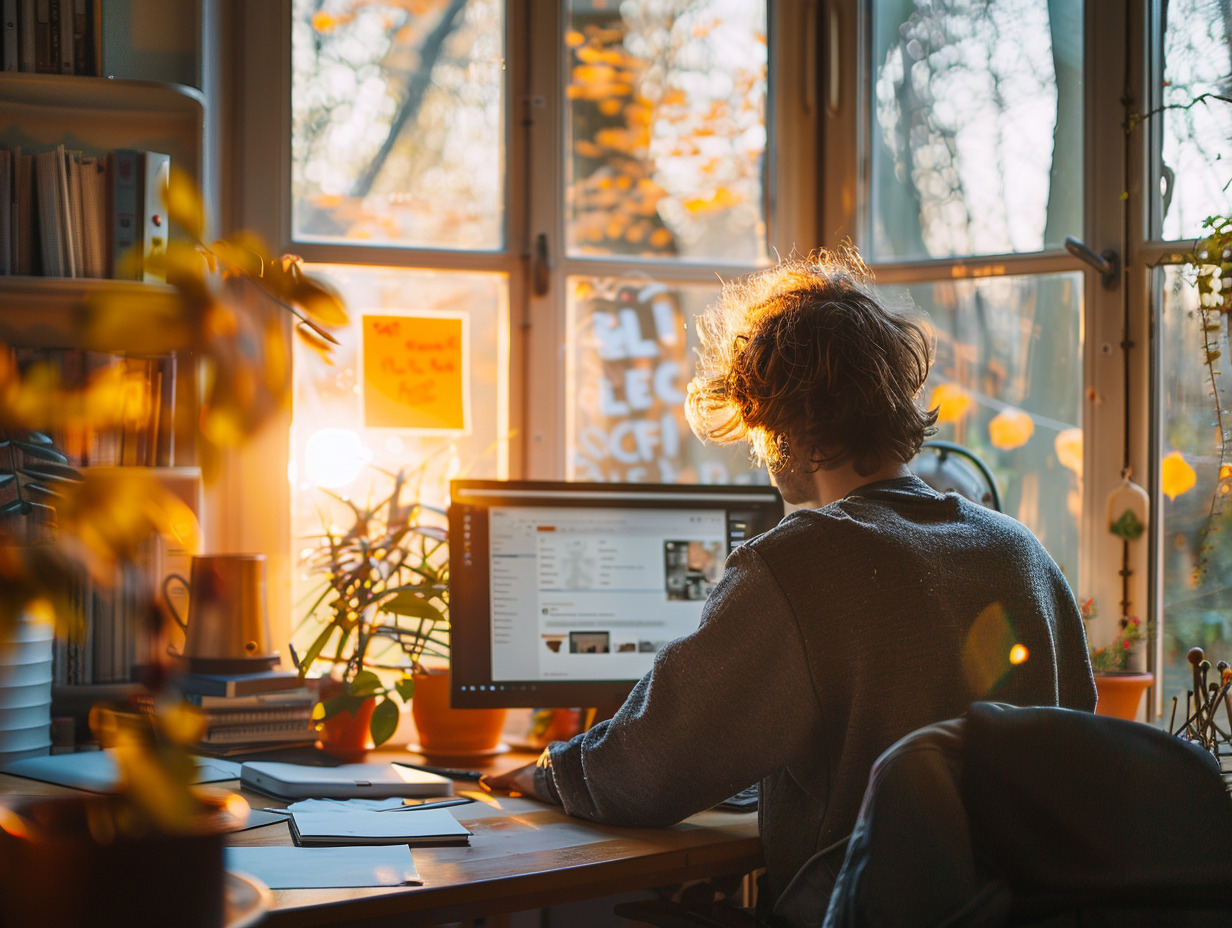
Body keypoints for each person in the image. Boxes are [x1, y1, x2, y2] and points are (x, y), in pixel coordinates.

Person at [483, 250, 1096, 925]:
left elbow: (652, 770)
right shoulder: (1023, 552)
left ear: (781, 421)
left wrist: (547, 774)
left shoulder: (799, 561)